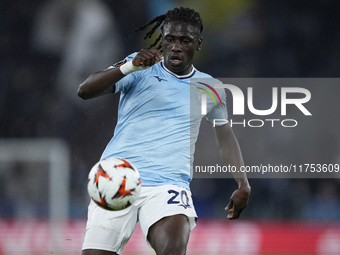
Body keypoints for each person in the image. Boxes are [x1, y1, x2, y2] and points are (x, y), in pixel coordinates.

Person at [78, 7, 251, 255]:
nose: (176, 47)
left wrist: (243, 183)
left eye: (185, 41)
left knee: (173, 248)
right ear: (163, 38)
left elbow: (225, 138)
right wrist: (128, 68)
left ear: (198, 44)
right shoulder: (140, 66)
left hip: (169, 184)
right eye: (170, 39)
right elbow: (84, 90)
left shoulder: (211, 88)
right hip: (117, 175)